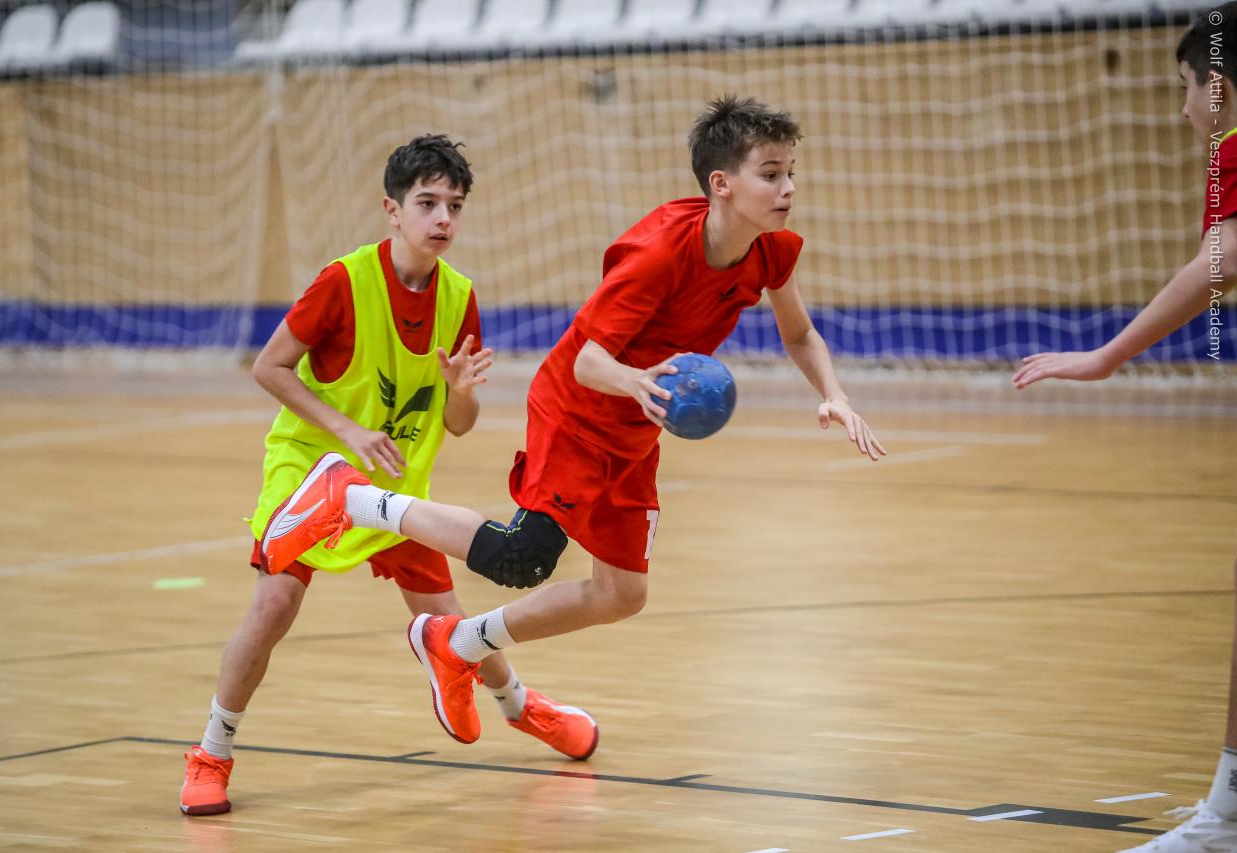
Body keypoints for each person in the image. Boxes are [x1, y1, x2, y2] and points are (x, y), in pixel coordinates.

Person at [260, 96, 887, 748]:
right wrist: (637, 381)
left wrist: (835, 395)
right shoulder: (659, 254)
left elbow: (800, 333)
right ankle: (353, 498)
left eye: (790, 173)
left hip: (635, 423)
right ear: (721, 183)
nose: (787, 188)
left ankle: (460, 642)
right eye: (771, 174)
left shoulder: (772, 251)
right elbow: (589, 362)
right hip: (578, 405)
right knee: (522, 557)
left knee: (622, 593)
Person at [180, 134, 598, 818]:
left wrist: (459, 391)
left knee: (451, 623)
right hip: (311, 468)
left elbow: (458, 423)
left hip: (391, 483)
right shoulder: (344, 282)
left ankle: (521, 707)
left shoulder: (459, 296)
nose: (443, 218)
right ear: (392, 209)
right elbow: (268, 366)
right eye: (427, 203)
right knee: (274, 606)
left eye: (454, 206)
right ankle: (211, 752)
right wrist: (346, 432)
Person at [1014, 8, 1237, 851]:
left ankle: (1226, 818)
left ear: (1217, 87)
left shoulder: (1232, 148)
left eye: (1184, 88)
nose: (1181, 108)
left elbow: (1221, 259)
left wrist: (1106, 354)